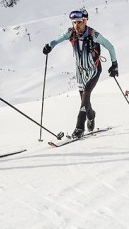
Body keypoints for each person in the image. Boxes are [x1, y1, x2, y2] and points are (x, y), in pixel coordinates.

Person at [42, 8, 117, 139]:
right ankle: (91, 115)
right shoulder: (70, 33)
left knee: (86, 94)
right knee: (84, 99)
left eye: (79, 22)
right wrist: (49, 46)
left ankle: (79, 127)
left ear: (85, 21)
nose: (76, 25)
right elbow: (56, 40)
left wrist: (114, 64)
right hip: (80, 71)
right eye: (74, 22)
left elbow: (110, 46)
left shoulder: (94, 34)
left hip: (94, 69)